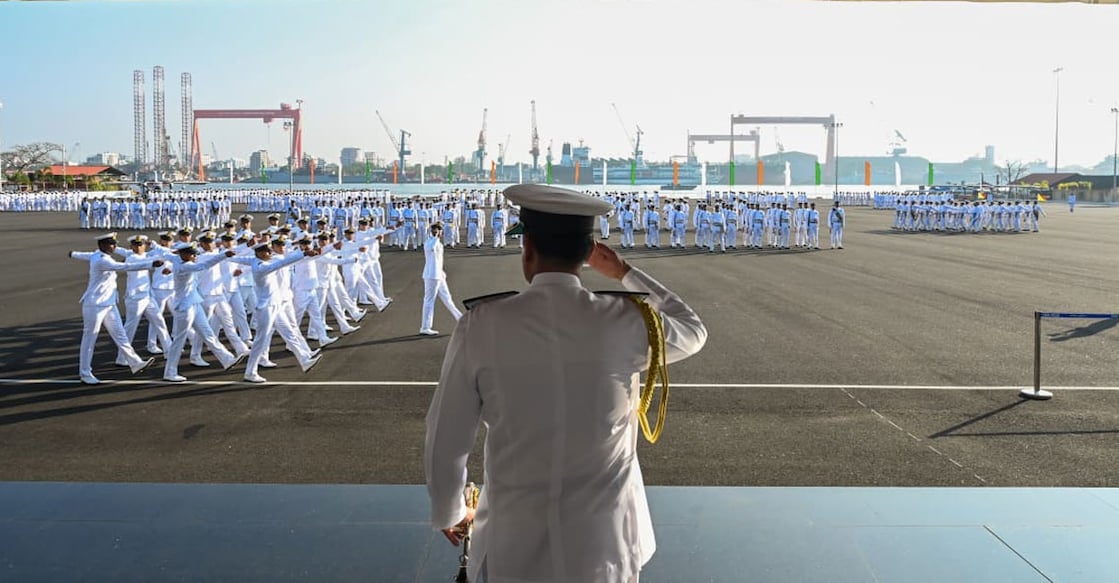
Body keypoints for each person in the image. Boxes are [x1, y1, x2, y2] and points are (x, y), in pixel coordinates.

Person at [424, 184, 707, 583]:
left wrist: (450, 512)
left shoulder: (482, 324)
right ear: (589, 252)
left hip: (512, 545)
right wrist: (624, 271)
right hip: (607, 546)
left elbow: (446, 436)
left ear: (528, 249)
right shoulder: (627, 321)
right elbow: (693, 330)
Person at [70, 233, 159, 385]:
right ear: (102, 245)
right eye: (111, 244)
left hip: (109, 303)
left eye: (114, 243)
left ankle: (135, 362)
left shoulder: (96, 255)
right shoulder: (101, 260)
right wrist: (150, 264)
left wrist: (73, 254)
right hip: (95, 305)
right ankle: (85, 373)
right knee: (90, 338)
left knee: (120, 335)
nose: (114, 246)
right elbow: (123, 266)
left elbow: (85, 255)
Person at [419, 223, 463, 336]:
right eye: (435, 230)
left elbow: (438, 260)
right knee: (429, 301)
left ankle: (461, 319)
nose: (437, 232)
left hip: (439, 275)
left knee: (448, 298)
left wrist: (442, 272)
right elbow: (432, 249)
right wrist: (435, 237)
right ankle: (425, 327)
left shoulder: (438, 242)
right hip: (431, 276)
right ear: (432, 232)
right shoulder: (429, 242)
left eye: (438, 230)